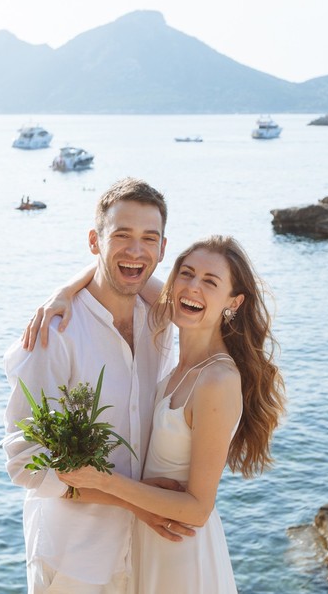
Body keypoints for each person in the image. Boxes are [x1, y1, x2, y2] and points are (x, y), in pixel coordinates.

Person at [48, 235, 285, 593]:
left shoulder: (216, 379)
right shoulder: (182, 359)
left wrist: (105, 480)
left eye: (210, 282)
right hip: (150, 541)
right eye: (186, 274)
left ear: (233, 302)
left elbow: (197, 509)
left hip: (181, 552)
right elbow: (117, 275)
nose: (193, 288)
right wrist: (64, 291)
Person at [2, 177, 191, 594]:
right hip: (74, 559)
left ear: (163, 248)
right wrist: (136, 501)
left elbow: (201, 304)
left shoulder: (159, 318)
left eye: (149, 239)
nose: (136, 249)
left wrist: (67, 285)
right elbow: (23, 462)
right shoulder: (54, 335)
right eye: (121, 235)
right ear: (94, 240)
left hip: (146, 551)